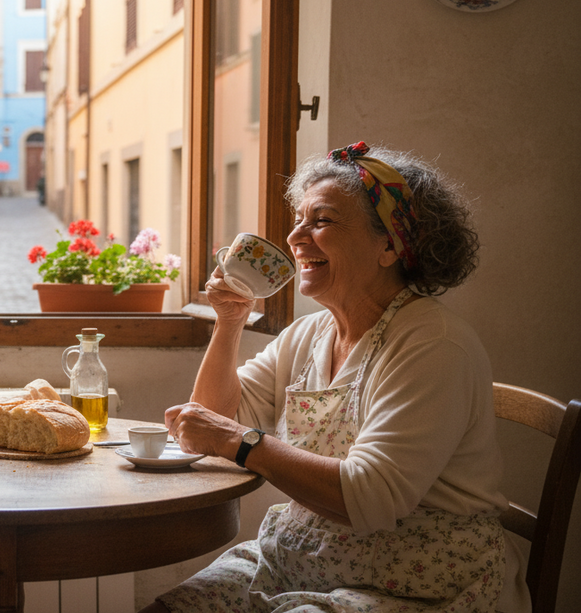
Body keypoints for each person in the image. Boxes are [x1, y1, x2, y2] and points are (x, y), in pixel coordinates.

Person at [144, 142, 530, 613]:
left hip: (415, 582)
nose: (295, 237)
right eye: (298, 220)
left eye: (321, 221)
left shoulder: (433, 343)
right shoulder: (309, 333)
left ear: (389, 244)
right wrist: (229, 322)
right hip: (298, 559)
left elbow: (370, 497)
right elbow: (210, 422)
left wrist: (241, 442)